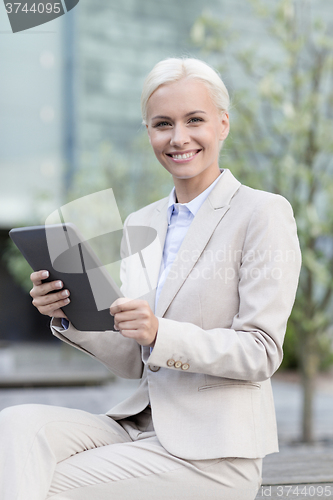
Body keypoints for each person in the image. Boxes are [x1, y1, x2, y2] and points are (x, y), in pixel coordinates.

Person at [0, 57, 301, 500]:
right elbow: (132, 360)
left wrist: (162, 332)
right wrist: (71, 313)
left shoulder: (261, 213)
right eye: (163, 124)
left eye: (194, 120)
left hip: (214, 455)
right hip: (139, 427)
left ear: (222, 124)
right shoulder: (145, 223)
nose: (178, 138)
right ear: (149, 133)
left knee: (47, 482)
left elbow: (261, 351)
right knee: (15, 425)